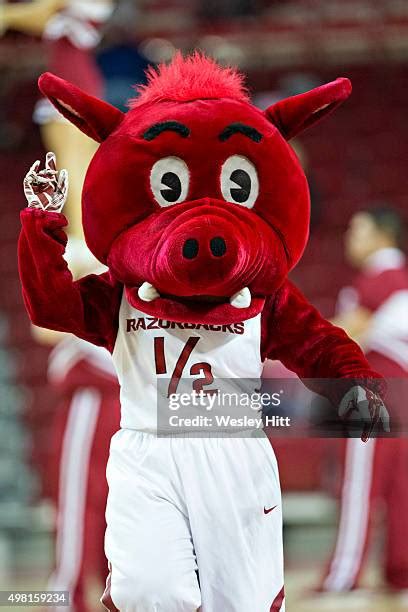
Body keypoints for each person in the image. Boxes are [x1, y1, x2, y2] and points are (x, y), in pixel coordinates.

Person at [316, 206, 408, 602]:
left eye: (358, 230)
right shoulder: (399, 279)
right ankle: (400, 570)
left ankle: (344, 574)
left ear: (382, 236)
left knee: (361, 484)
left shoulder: (381, 277)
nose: (350, 238)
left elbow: (346, 331)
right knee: (402, 489)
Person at [33, 239, 120, 612]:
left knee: (114, 507)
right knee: (83, 504)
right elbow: (43, 330)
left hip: (114, 402)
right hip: (96, 402)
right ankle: (68, 594)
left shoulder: (129, 247)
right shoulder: (76, 251)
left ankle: (97, 592)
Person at [0, 0, 113, 237]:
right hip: (82, 86)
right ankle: (88, 235)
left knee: (71, 165)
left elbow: (41, 11)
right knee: (83, 166)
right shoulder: (72, 10)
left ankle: (82, 238)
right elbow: (39, 17)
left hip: (69, 87)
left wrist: (7, 14)